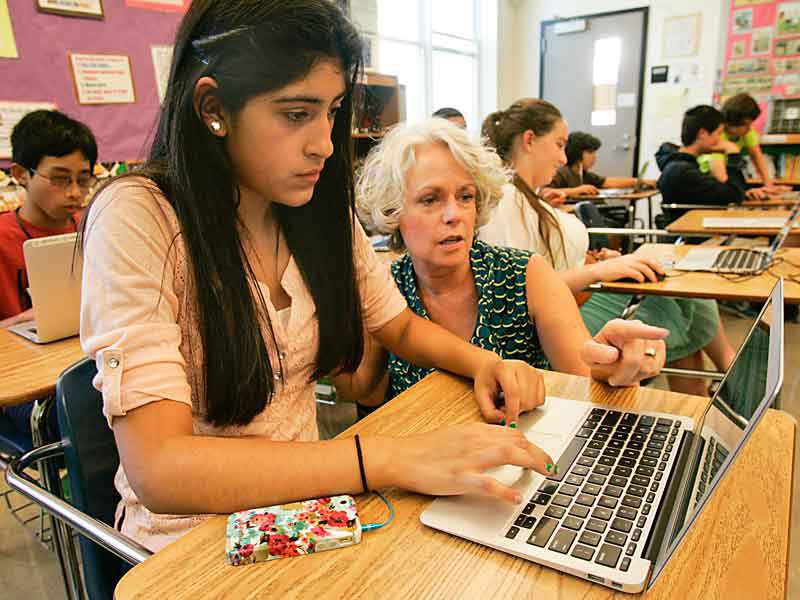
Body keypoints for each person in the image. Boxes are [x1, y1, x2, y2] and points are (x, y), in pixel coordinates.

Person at [79, 0, 554, 553]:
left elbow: (396, 325)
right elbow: (160, 470)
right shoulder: (140, 215)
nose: (324, 144)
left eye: (331, 112)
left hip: (315, 512)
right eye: (296, 114)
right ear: (213, 108)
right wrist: (387, 457)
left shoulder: (314, 207)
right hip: (192, 543)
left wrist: (487, 363)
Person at [337, 118, 667, 414]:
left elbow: (584, 380)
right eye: (430, 199)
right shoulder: (384, 288)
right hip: (427, 466)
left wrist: (613, 364)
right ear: (394, 211)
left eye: (465, 196)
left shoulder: (526, 275)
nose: (454, 214)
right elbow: (365, 393)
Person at [479, 98, 736, 396]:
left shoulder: (527, 197)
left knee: (678, 287)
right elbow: (521, 288)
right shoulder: (507, 199)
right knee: (676, 296)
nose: (564, 158)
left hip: (576, 292)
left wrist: (596, 260)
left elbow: (545, 262)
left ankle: (706, 389)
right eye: (560, 144)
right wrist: (603, 268)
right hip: (560, 313)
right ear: (529, 140)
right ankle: (723, 376)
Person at [0, 109, 97, 442]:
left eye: (83, 179)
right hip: (26, 392)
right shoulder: (3, 239)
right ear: (20, 174)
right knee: (92, 410)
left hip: (83, 363)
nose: (74, 192)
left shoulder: (95, 228)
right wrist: (24, 320)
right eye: (59, 179)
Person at [655, 105, 749, 225]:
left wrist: (744, 192)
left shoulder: (682, 165)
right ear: (703, 133)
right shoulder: (683, 171)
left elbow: (731, 193)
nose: (720, 140)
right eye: (718, 134)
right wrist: (733, 154)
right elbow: (734, 196)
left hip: (697, 230)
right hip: (693, 236)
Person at [706, 93, 790, 196]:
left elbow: (757, 157)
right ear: (732, 123)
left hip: (729, 174)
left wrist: (769, 185)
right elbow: (719, 174)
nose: (750, 128)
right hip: (709, 178)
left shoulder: (747, 132)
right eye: (746, 124)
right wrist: (740, 194)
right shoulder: (718, 135)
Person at [545, 131, 655, 199]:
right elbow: (545, 192)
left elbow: (607, 182)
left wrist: (639, 181)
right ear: (577, 152)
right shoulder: (562, 172)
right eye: (590, 152)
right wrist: (577, 190)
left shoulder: (583, 174)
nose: (594, 157)